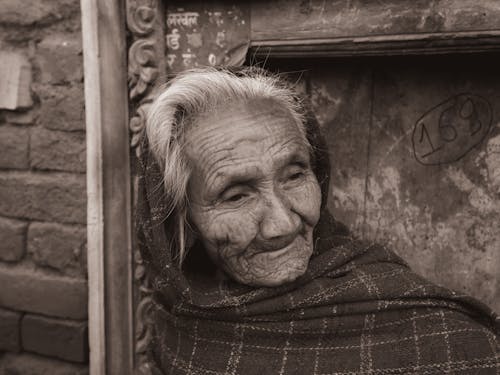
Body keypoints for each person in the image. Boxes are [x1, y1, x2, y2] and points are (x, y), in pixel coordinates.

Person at [137, 66, 499, 374]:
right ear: (183, 218)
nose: (282, 224)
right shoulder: (182, 318)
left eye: (294, 176)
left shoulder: (441, 340)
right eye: (236, 196)